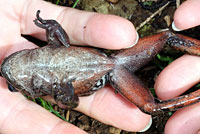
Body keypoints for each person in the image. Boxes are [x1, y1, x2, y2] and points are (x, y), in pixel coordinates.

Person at [0, 0, 199, 133]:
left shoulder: (52, 53)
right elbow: (71, 103)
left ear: (33, 52)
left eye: (32, 55)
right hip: (113, 72)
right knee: (150, 106)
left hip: (115, 62)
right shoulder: (56, 88)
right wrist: (66, 95)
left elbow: (58, 35)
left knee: (167, 37)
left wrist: (50, 26)